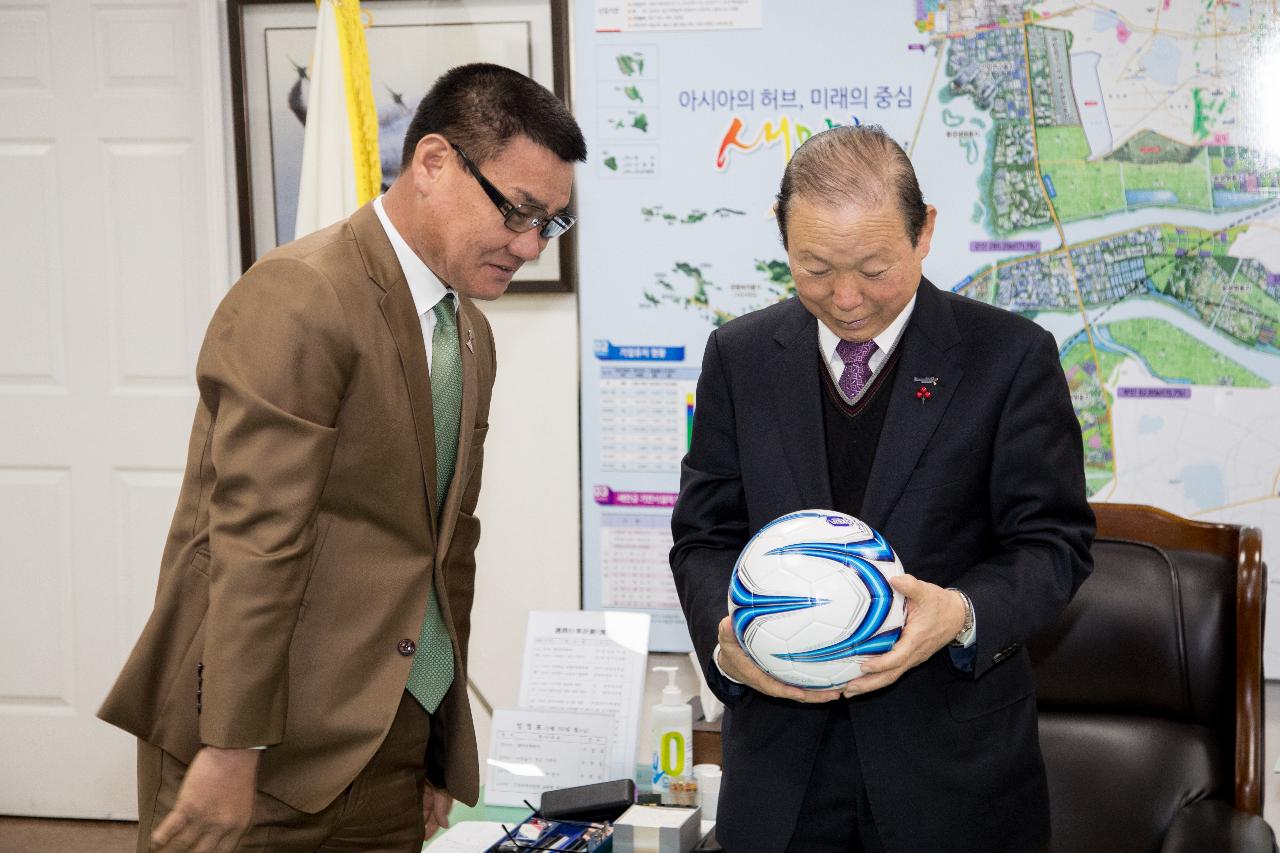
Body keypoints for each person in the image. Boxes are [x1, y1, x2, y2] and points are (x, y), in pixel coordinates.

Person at [99, 63, 586, 852]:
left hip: (390, 734)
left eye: (551, 224)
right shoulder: (303, 293)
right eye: (518, 211)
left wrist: (438, 750)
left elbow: (444, 548)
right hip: (263, 740)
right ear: (432, 162)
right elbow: (259, 539)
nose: (530, 244)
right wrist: (230, 747)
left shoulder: (468, 334)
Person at [670, 124, 1094, 853]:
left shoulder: (1010, 358)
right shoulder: (739, 357)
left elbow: (1054, 544)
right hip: (781, 778)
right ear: (782, 234)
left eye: (873, 267)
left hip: (954, 779)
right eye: (815, 267)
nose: (845, 297)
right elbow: (705, 536)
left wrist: (959, 612)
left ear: (924, 231)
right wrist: (725, 642)